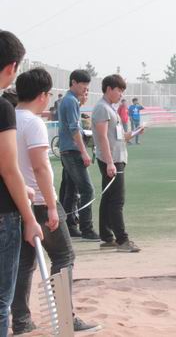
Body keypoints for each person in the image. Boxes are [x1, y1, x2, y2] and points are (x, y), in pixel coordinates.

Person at [11, 68, 100, 334]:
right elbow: (39, 167)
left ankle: (22, 320)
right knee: (63, 256)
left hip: (19, 201)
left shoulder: (9, 119)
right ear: (43, 95)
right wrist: (51, 205)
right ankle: (64, 317)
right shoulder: (32, 122)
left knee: (25, 263)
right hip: (39, 200)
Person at [0, 30, 43, 337]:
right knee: (2, 301)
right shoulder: (3, 108)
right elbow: (8, 168)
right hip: (4, 215)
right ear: (12, 67)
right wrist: (29, 218)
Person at [93, 74, 142, 252]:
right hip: (112, 159)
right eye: (119, 90)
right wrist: (109, 162)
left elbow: (117, 136)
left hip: (116, 157)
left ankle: (107, 237)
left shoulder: (110, 108)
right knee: (117, 200)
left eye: (122, 90)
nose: (121, 94)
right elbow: (102, 137)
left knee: (108, 198)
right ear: (109, 89)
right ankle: (122, 240)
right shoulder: (102, 108)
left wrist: (135, 133)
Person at [57, 69, 99, 240]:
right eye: (83, 85)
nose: (85, 89)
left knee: (70, 190)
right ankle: (87, 228)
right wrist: (84, 152)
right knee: (87, 190)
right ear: (73, 82)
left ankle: (69, 226)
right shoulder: (71, 101)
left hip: (66, 150)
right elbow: (74, 129)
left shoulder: (67, 100)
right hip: (73, 151)